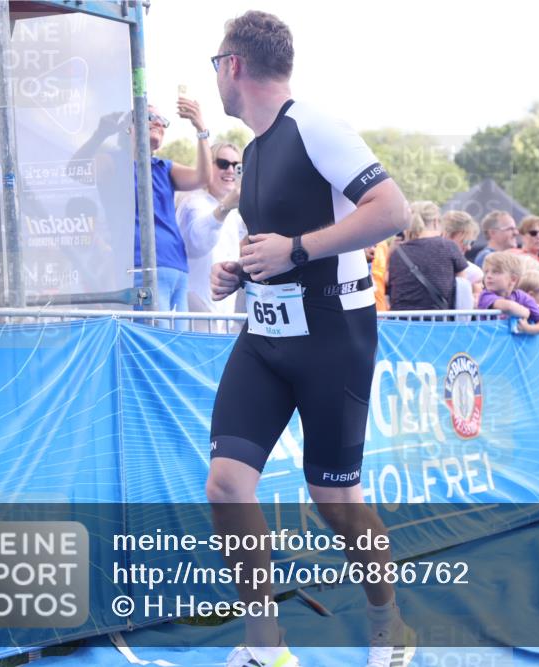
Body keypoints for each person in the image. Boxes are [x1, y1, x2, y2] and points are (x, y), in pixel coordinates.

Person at [205, 12, 413, 667]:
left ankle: (391, 630)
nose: (214, 76)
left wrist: (295, 250)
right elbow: (281, 245)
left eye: (215, 64)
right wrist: (237, 270)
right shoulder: (258, 148)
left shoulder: (314, 125)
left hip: (333, 335)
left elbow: (393, 210)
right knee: (227, 484)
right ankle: (265, 644)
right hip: (265, 336)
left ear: (233, 65)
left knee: (335, 501)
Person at [71, 99, 211, 329]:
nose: (158, 123)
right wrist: (99, 134)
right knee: (155, 346)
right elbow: (74, 170)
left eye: (162, 120)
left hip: (177, 268)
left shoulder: (163, 167)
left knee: (176, 345)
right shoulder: (115, 162)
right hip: (142, 268)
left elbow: (203, 178)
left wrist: (201, 129)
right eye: (149, 117)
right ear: (130, 127)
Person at [177, 142, 248, 332]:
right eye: (223, 163)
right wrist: (224, 207)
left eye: (236, 165)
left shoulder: (235, 213)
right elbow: (198, 242)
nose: (230, 170)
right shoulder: (194, 202)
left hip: (224, 311)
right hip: (196, 308)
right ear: (209, 166)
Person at [387, 202, 468, 310]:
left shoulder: (397, 253)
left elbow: (388, 284)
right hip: (437, 322)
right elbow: (463, 288)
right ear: (435, 222)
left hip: (402, 323)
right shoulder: (448, 246)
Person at [478, 252, 539, 334]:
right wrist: (526, 312)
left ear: (513, 279)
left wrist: (529, 328)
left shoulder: (522, 296)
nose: (489, 276)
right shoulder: (485, 295)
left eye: (495, 272)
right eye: (486, 272)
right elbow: (509, 307)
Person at [442, 210, 484, 308]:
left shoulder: (474, 272)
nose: (469, 247)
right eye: (465, 242)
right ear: (446, 236)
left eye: (471, 243)